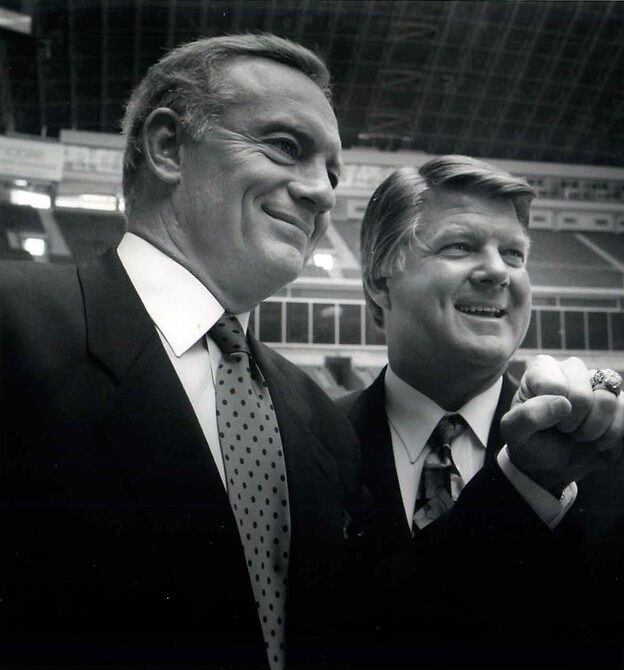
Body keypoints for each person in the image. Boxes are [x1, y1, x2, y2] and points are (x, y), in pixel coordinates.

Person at [338, 155, 624, 669]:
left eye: (514, 254)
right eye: (460, 246)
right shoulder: (312, 441)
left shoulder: (600, 440)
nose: (497, 272)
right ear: (379, 281)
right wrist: (523, 486)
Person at [0, 34, 361, 669]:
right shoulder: (13, 325)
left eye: (331, 172)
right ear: (168, 147)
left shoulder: (323, 423)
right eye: (285, 147)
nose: (323, 193)